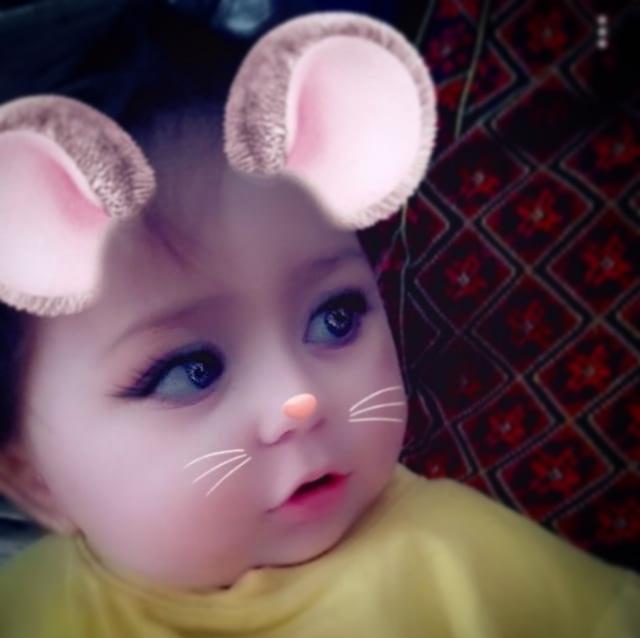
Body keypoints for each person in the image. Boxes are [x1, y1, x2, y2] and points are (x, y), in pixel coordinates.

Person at [0, 8, 638, 637]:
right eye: (191, 371)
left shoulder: (478, 572)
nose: (298, 399)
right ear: (35, 481)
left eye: (335, 318)